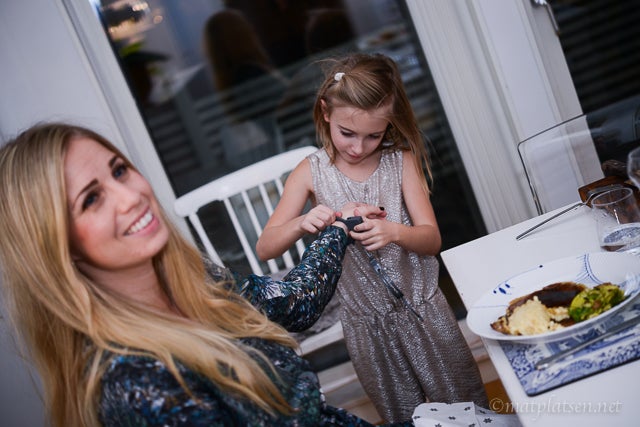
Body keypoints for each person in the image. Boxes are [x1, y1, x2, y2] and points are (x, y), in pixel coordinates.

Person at [0, 122, 406, 427]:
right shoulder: (138, 386)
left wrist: (339, 228)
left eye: (119, 171)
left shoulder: (197, 281)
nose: (131, 197)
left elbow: (294, 302)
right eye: (91, 199)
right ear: (58, 246)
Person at [256, 53, 489, 422]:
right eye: (347, 133)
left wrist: (395, 231)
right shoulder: (310, 173)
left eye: (373, 136)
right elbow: (265, 247)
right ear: (325, 112)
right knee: (403, 417)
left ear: (388, 126)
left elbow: (431, 240)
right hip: (368, 329)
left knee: (468, 410)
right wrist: (301, 223)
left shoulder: (401, 161)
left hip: (425, 313)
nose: (358, 147)